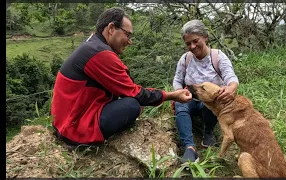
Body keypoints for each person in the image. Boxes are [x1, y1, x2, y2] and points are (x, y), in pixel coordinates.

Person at [51, 7, 192, 146]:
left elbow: (128, 88)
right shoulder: (100, 54)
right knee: (132, 105)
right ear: (111, 28)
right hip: (74, 127)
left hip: (68, 119)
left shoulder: (92, 46)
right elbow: (135, 93)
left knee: (131, 101)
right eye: (127, 35)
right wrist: (172, 96)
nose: (129, 41)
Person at [172, 19, 239, 164]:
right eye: (188, 43)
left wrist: (231, 88)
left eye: (196, 41)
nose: (192, 46)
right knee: (180, 105)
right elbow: (178, 79)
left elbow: (231, 78)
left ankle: (208, 132)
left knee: (211, 102)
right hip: (190, 100)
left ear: (205, 37)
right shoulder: (185, 59)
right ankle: (189, 147)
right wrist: (178, 92)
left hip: (208, 104)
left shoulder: (218, 57)